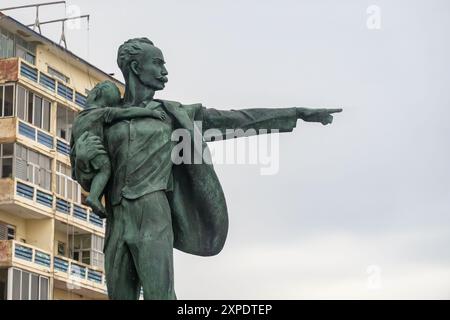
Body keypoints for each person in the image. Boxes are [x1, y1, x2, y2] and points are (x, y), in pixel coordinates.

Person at [71, 37, 342, 299]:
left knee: (160, 295)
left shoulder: (175, 114)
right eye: (158, 63)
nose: (165, 71)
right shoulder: (106, 118)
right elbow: (85, 172)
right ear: (135, 67)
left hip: (153, 210)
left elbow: (237, 119)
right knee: (119, 295)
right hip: (116, 215)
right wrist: (83, 159)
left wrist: (295, 112)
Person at [70, 80, 166, 217]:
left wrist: (75, 163)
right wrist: (150, 113)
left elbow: (72, 144)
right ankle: (94, 197)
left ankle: (94, 195)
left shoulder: (78, 119)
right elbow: (127, 112)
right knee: (105, 169)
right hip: (94, 148)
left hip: (79, 152)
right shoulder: (101, 113)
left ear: (95, 95)